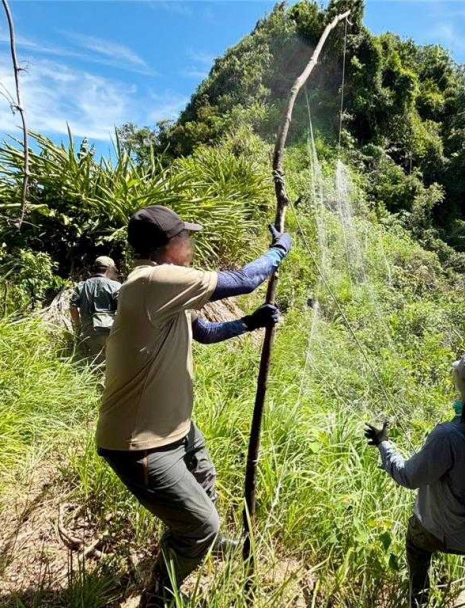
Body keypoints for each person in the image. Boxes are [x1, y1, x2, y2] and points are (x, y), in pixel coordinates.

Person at [96, 205, 292, 607]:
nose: (192, 243)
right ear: (171, 244)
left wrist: (249, 323)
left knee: (204, 478)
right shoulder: (154, 280)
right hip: (140, 444)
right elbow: (244, 280)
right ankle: (160, 596)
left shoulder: (164, 291)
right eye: (187, 237)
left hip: (175, 428)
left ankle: (200, 542)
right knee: (200, 523)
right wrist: (279, 249)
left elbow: (203, 332)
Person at [365, 348, 465, 608]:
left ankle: (419, 601)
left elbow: (408, 477)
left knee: (416, 542)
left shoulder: (449, 436)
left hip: (448, 533)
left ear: (462, 383)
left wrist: (384, 443)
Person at [69, 255, 121, 363]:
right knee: (111, 363)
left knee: (94, 362)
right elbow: (123, 308)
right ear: (109, 269)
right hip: (110, 330)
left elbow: (73, 307)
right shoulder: (116, 286)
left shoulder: (82, 286)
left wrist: (78, 326)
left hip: (88, 330)